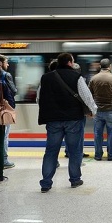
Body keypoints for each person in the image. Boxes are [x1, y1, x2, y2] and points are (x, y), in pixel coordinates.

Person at [38, 53, 97, 193]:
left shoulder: (45, 78)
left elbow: (39, 98)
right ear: (70, 62)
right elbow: (87, 96)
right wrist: (93, 111)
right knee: (74, 150)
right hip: (73, 120)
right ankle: (75, 180)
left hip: (53, 120)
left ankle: (46, 183)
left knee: (51, 151)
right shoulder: (76, 77)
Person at [89, 58, 112, 161]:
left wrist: (92, 108)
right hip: (111, 110)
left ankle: (98, 155)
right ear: (110, 66)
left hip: (97, 111)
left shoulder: (93, 78)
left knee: (97, 133)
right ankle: (111, 155)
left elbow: (89, 95)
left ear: (100, 66)